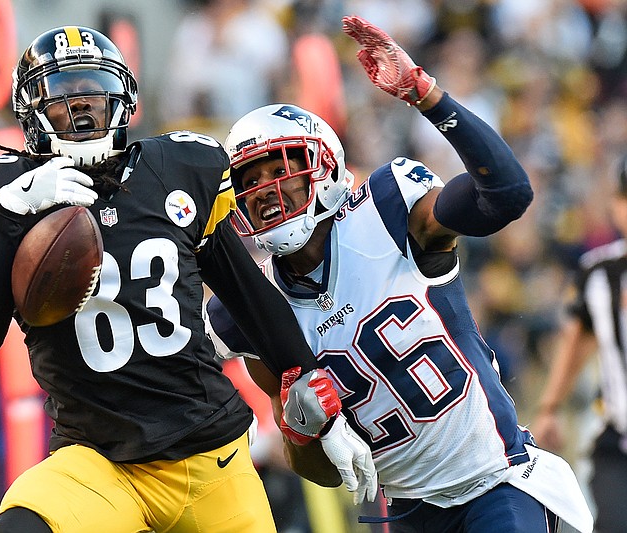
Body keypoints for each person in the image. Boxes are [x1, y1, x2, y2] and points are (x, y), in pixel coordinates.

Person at [0, 26, 375, 533]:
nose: (81, 111)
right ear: (32, 112)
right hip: (95, 461)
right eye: (62, 99)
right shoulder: (4, 191)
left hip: (206, 455)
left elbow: (251, 298)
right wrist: (12, 213)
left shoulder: (178, 167)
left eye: (94, 94)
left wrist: (316, 391)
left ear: (122, 102)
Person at [206, 15, 593, 533]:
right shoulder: (252, 305)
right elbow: (321, 471)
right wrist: (302, 430)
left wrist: (425, 94)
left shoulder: (387, 214)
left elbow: (508, 194)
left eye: (281, 168)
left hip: (495, 483)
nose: (268, 189)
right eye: (251, 180)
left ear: (323, 166)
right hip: (404, 512)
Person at [531, 156, 627, 533]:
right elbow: (579, 339)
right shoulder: (599, 274)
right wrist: (550, 407)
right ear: (617, 206)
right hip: (618, 442)